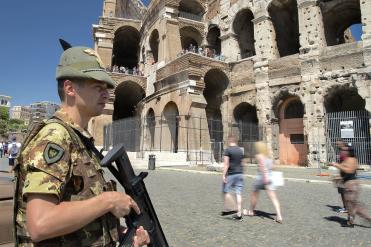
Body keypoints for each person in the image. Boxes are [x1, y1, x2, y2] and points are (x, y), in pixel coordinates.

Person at [13, 44, 150, 246]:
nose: (107, 94)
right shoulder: (55, 137)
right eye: (98, 87)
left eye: (107, 89)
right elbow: (40, 224)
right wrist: (108, 201)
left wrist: (121, 234)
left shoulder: (79, 140)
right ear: (70, 89)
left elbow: (80, 210)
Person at [329, 145, 371, 227]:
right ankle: (350, 221)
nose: (342, 152)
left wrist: (336, 165)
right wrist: (338, 177)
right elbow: (346, 172)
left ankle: (363, 219)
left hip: (351, 185)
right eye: (342, 150)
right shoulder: (348, 159)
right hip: (349, 184)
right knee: (350, 205)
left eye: (345, 150)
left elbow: (349, 170)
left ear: (349, 151)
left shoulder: (352, 159)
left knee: (353, 206)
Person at [245, 141, 283, 224]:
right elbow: (274, 167)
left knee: (254, 195)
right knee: (274, 198)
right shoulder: (269, 157)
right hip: (270, 179)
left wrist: (265, 177)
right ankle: (279, 215)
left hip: (261, 178)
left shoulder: (259, 156)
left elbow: (262, 166)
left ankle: (251, 211)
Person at [221, 136, 245, 220]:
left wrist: (224, 175)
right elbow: (242, 163)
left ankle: (233, 208)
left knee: (225, 191)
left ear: (229, 141)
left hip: (231, 174)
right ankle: (239, 213)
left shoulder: (228, 150)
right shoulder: (240, 150)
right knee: (238, 193)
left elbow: (226, 164)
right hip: (240, 174)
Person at [333, 140, 349, 213]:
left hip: (344, 175)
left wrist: (340, 175)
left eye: (338, 144)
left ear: (342, 144)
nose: (337, 145)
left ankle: (346, 208)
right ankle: (346, 207)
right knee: (344, 192)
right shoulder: (344, 151)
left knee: (343, 192)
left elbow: (344, 164)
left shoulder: (344, 152)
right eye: (336, 144)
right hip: (345, 174)